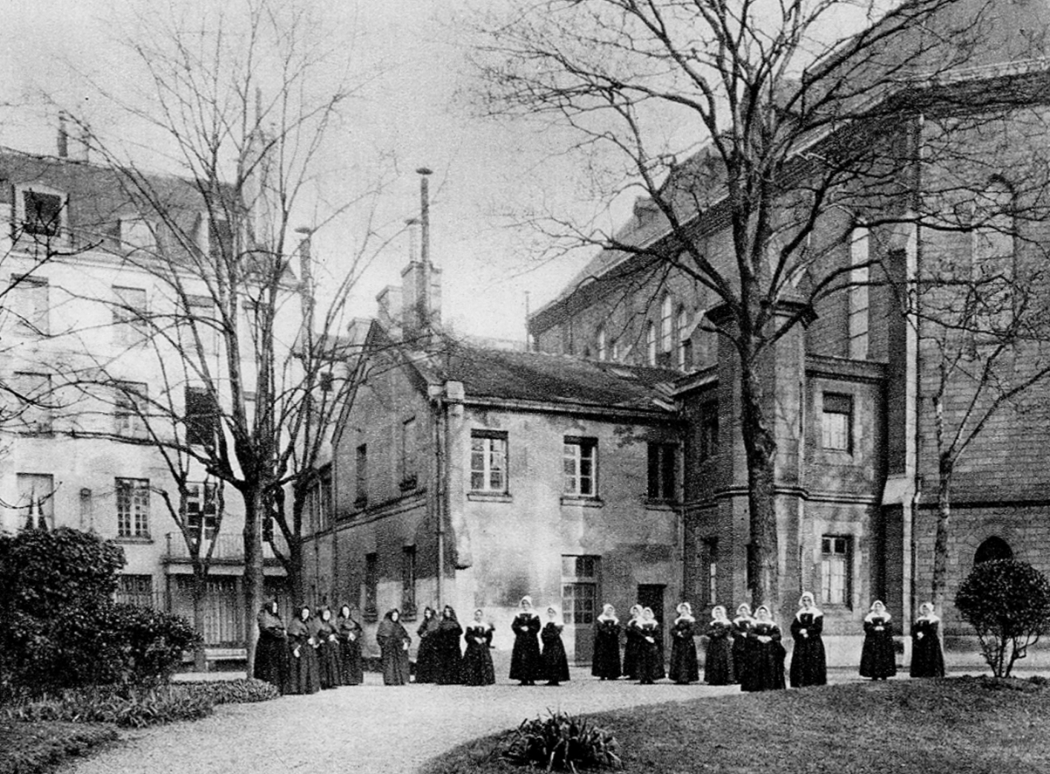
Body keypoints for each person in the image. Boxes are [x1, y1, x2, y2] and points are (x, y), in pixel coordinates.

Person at [742, 605, 785, 692]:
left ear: (767, 614)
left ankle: (770, 686)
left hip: (770, 649)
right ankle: (757, 687)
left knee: (770, 666)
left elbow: (778, 635)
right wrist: (758, 637)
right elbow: (749, 634)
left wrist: (770, 638)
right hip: (757, 649)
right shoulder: (754, 624)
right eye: (760, 613)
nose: (762, 614)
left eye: (764, 612)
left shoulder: (772, 624)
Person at [789, 592, 827, 688]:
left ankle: (814, 682)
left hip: (813, 642)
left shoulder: (817, 613)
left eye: (808, 600)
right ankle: (800, 682)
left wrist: (807, 631)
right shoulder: (799, 614)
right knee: (801, 661)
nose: (806, 602)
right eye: (804, 600)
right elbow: (793, 627)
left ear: (812, 601)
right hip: (801, 642)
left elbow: (818, 628)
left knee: (813, 661)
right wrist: (799, 631)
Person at [254, 598, 291, 694]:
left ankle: (279, 688)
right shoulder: (263, 616)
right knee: (269, 667)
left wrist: (280, 632)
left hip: (277, 646)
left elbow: (280, 628)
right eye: (273, 606)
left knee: (278, 666)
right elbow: (267, 630)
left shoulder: (276, 617)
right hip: (268, 646)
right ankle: (269, 688)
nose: (275, 608)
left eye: (276, 606)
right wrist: (280, 633)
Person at [287, 604, 320, 695]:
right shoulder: (295, 622)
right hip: (300, 647)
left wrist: (313, 640)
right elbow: (291, 638)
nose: (305, 614)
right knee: (300, 668)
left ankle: (310, 688)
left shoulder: (310, 622)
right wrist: (294, 649)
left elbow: (315, 635)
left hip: (309, 648)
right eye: (304, 612)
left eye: (307, 613)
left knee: (310, 668)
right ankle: (299, 689)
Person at [860, 600, 897, 680]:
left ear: (882, 607)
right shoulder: (869, 617)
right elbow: (866, 627)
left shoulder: (887, 616)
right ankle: (874, 674)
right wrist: (874, 628)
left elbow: (890, 627)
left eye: (879, 606)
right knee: (873, 656)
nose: (877, 608)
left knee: (884, 655)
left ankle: (884, 674)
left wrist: (883, 628)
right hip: (873, 640)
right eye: (876, 606)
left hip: (885, 640)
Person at [510, 595, 543, 685]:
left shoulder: (535, 614)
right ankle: (523, 679)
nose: (525, 605)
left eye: (527, 603)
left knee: (532, 658)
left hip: (531, 639)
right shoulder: (518, 614)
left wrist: (529, 628)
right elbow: (514, 626)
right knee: (521, 658)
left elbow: (537, 626)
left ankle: (532, 678)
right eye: (523, 603)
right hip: (521, 639)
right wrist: (520, 628)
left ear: (530, 604)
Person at [376, 608, 411, 685]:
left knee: (400, 664)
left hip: (399, 649)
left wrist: (406, 642)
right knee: (390, 665)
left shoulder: (399, 626)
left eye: (396, 615)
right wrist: (387, 644)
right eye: (393, 615)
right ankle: (390, 680)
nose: (395, 617)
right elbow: (380, 637)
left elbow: (405, 636)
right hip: (389, 649)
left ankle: (401, 679)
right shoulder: (384, 624)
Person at [910, 602, 945, 678]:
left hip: (930, 640)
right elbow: (915, 628)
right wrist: (917, 634)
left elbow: (932, 629)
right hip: (920, 641)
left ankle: (931, 672)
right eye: (924, 609)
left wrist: (924, 634)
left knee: (930, 655)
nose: (925, 611)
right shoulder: (920, 619)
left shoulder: (934, 619)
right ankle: (920, 672)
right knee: (921, 656)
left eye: (927, 609)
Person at [462, 608, 496, 686]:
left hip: (482, 647)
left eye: (480, 615)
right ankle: (472, 680)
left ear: (482, 616)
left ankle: (484, 680)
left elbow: (489, 636)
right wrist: (474, 638)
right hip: (473, 647)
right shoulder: (471, 625)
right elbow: (467, 636)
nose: (478, 617)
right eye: (477, 615)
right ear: (475, 616)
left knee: (484, 661)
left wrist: (485, 639)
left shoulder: (485, 625)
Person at [669, 602, 699, 684]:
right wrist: (677, 633)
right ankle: (679, 678)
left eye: (685, 609)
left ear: (688, 610)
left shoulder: (691, 619)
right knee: (678, 659)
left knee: (686, 659)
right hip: (678, 642)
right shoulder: (677, 620)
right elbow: (672, 630)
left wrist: (684, 634)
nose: (683, 611)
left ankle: (686, 678)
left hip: (687, 642)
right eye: (682, 609)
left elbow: (692, 630)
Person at [704, 605, 735, 686]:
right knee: (713, 660)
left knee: (723, 660)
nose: (718, 614)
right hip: (713, 644)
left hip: (722, 643)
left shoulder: (727, 622)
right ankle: (713, 679)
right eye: (716, 612)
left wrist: (715, 633)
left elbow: (725, 632)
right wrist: (715, 633)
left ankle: (724, 679)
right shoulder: (712, 623)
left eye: (720, 612)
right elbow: (707, 632)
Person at [540, 605, 571, 686]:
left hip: (555, 644)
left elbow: (556, 633)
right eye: (549, 612)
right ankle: (550, 679)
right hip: (548, 644)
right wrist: (544, 638)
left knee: (556, 660)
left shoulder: (558, 622)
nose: (551, 614)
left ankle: (556, 679)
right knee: (548, 660)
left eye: (552, 612)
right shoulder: (546, 622)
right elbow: (543, 633)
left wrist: (548, 637)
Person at [434, 605, 464, 685]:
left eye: (448, 611)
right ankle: (445, 679)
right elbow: (438, 634)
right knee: (444, 662)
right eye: (445, 611)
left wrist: (453, 642)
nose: (447, 613)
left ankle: (454, 679)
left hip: (453, 646)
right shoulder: (442, 623)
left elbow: (459, 632)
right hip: (444, 646)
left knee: (454, 662)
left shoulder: (455, 623)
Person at [591, 604, 622, 681]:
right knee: (603, 657)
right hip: (603, 641)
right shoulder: (600, 619)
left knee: (613, 656)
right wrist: (608, 631)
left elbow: (617, 628)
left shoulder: (615, 619)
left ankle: (612, 674)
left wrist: (613, 632)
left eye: (611, 610)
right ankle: (602, 674)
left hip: (613, 641)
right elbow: (601, 628)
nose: (609, 611)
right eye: (608, 610)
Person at [314, 606, 341, 690]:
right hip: (322, 647)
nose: (327, 615)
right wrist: (319, 640)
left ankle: (332, 682)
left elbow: (337, 633)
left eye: (328, 614)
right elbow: (313, 634)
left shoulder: (330, 624)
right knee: (323, 665)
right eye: (325, 614)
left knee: (331, 664)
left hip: (330, 647)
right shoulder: (317, 623)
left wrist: (333, 636)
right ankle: (323, 683)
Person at [336, 604, 364, 686]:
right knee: (346, 662)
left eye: (347, 611)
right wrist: (348, 634)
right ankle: (346, 680)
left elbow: (359, 629)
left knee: (354, 661)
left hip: (354, 643)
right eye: (344, 611)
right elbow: (338, 631)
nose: (346, 613)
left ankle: (354, 679)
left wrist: (354, 634)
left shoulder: (353, 620)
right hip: (344, 644)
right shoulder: (339, 621)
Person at [636, 607, 665, 684]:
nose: (647, 615)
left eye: (648, 613)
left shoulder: (654, 623)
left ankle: (650, 677)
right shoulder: (639, 623)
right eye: (645, 613)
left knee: (651, 661)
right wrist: (645, 637)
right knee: (643, 661)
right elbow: (637, 632)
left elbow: (658, 632)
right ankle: (643, 677)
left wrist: (653, 638)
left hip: (652, 644)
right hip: (643, 643)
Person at [414, 606, 440, 684]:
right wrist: (422, 633)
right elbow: (419, 630)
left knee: (432, 660)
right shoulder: (424, 621)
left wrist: (428, 634)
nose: (427, 615)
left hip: (432, 644)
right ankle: (423, 677)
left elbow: (436, 631)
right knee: (423, 660)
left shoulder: (435, 621)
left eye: (429, 613)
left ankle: (432, 677)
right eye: (426, 613)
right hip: (424, 643)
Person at [731, 603, 754, 685]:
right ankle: (739, 678)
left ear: (748, 611)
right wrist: (740, 634)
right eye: (742, 611)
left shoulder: (752, 621)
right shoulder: (736, 621)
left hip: (749, 642)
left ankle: (749, 678)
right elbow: (733, 631)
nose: (743, 612)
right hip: (739, 642)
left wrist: (748, 634)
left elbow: (754, 630)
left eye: (745, 610)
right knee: (738, 660)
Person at [622, 604, 643, 680]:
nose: (635, 612)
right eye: (634, 611)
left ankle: (638, 673)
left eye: (636, 611)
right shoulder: (630, 620)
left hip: (638, 641)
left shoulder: (641, 620)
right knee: (630, 656)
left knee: (637, 656)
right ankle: (631, 673)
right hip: (631, 640)